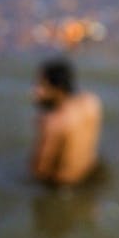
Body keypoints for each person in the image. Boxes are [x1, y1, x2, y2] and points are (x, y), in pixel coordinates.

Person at [31, 57, 103, 185]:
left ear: (57, 89)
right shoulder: (92, 102)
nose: (36, 91)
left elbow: (40, 170)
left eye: (41, 86)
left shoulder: (54, 123)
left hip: (65, 185)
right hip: (91, 173)